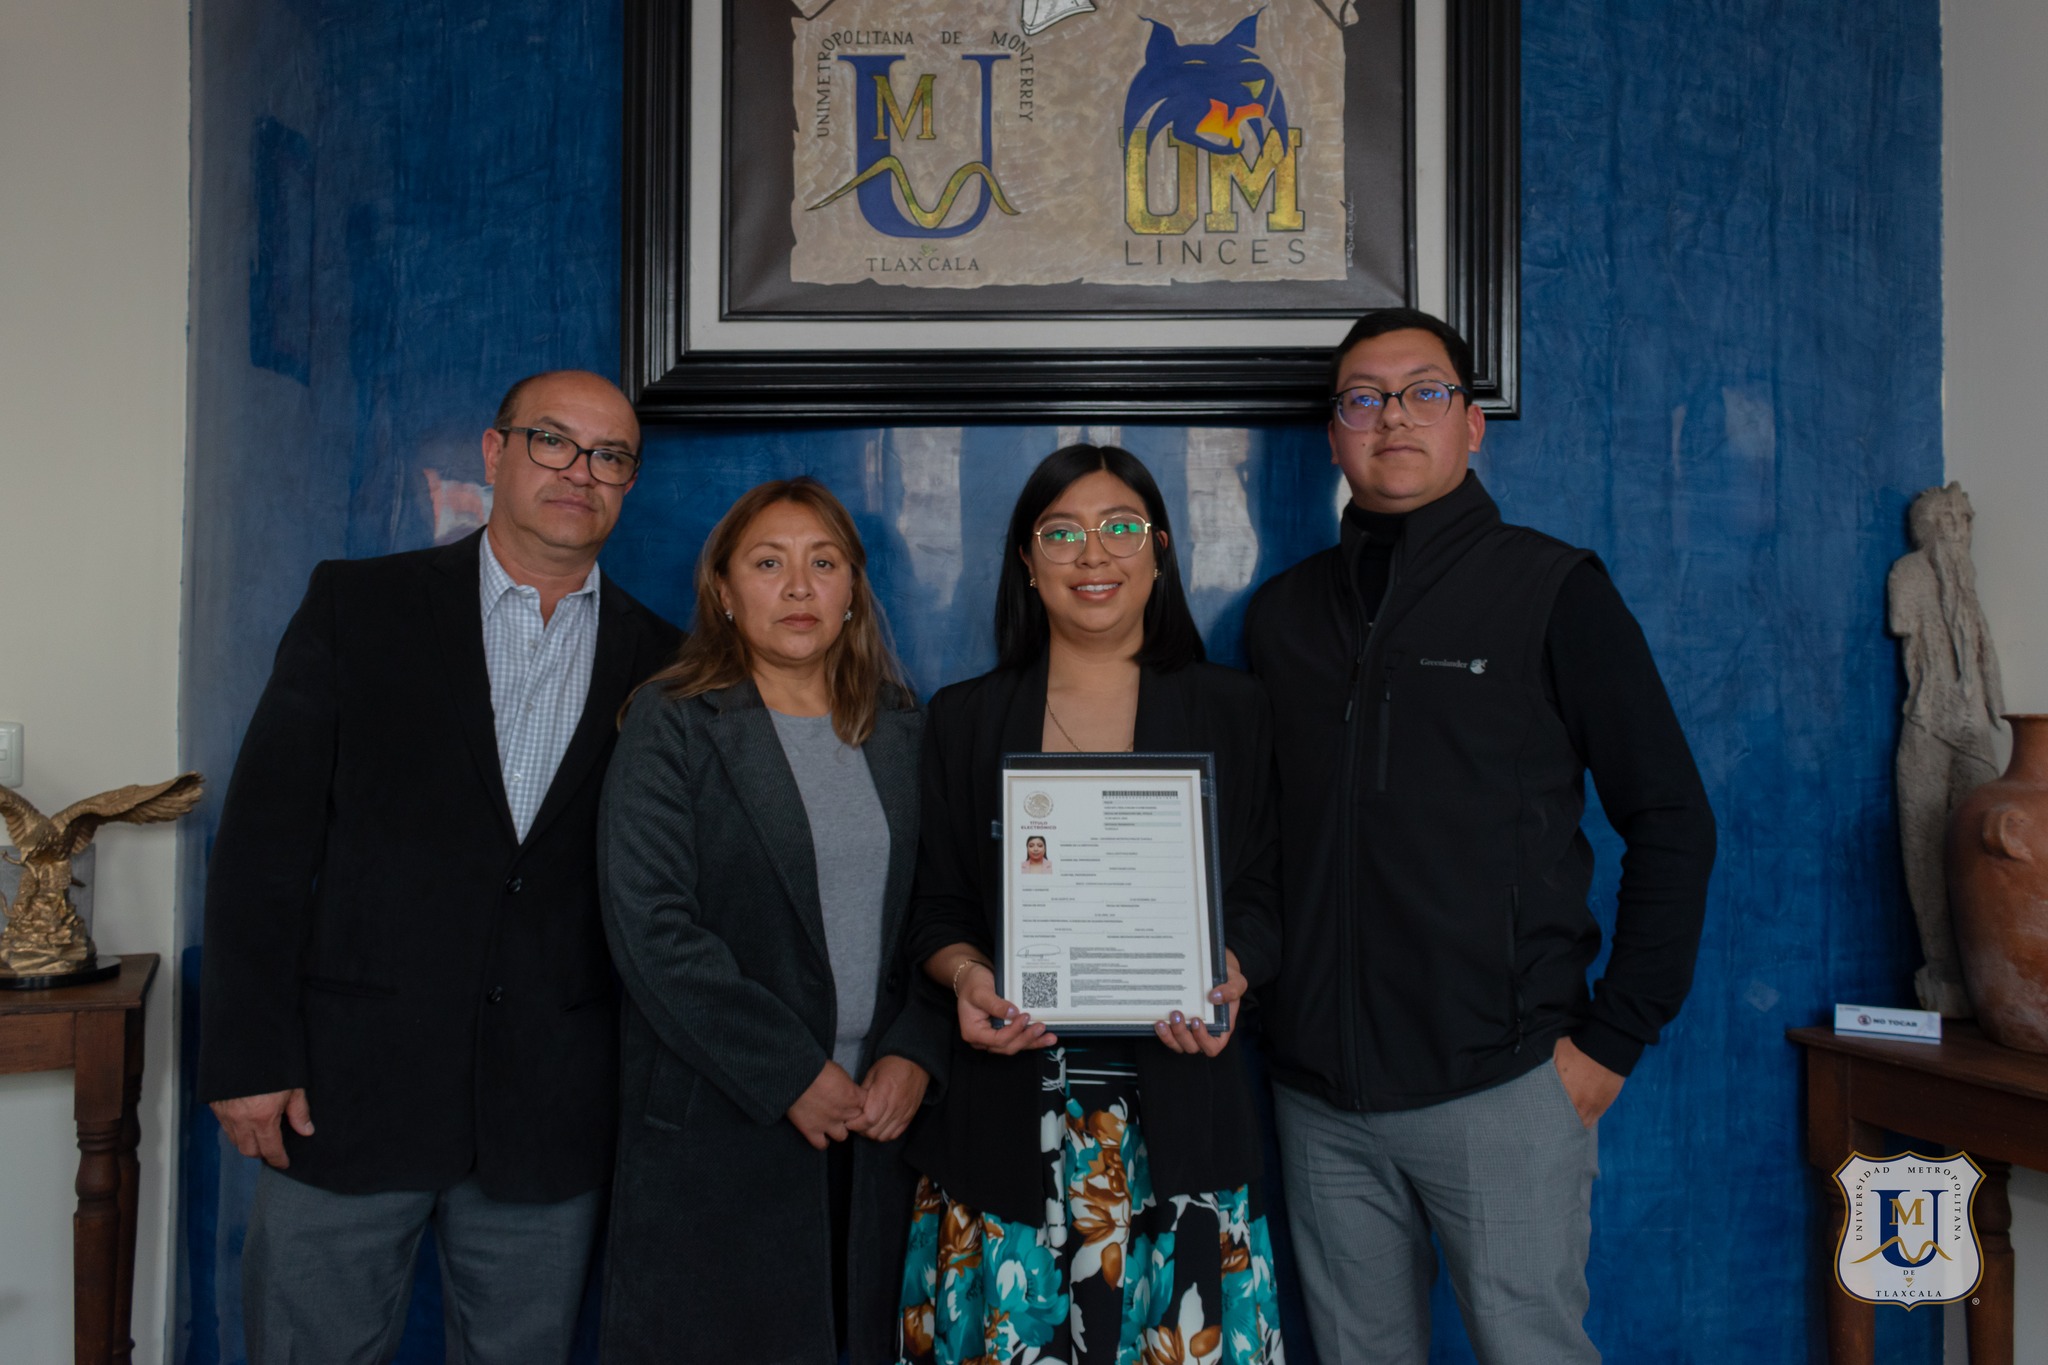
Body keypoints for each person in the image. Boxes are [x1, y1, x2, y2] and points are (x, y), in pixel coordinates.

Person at [1243, 309, 1718, 1364]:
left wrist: (1613, 1040)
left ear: (1470, 424)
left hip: (1502, 1087)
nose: (1392, 417)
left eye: (1424, 392)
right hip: (1318, 1097)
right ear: (1333, 434)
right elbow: (1258, 846)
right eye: (1363, 398)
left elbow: (1672, 818)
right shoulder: (1282, 617)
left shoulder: (1552, 590)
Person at [198, 370, 682, 1363]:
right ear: (494, 452)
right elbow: (261, 848)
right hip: (343, 1092)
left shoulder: (666, 664)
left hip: (549, 1113)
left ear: (629, 484)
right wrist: (248, 1058)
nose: (580, 471)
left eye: (610, 456)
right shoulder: (359, 608)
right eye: (553, 440)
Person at [898, 445, 1287, 1365]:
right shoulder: (965, 716)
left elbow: (1265, 893)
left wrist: (1231, 970)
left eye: (1120, 528)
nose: (1093, 554)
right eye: (1061, 533)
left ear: (1160, 551)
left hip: (1181, 1119)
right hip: (1009, 1121)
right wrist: (967, 976)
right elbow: (936, 909)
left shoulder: (1234, 709)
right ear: (1026, 562)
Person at [595, 478, 952, 1365]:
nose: (798, 587)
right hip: (725, 1128)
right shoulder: (672, 723)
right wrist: (791, 1071)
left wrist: (916, 1049)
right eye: (768, 563)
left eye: (823, 563)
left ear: (851, 589)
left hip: (879, 1128)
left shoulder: (902, 727)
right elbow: (653, 929)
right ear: (723, 590)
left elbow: (942, 911)